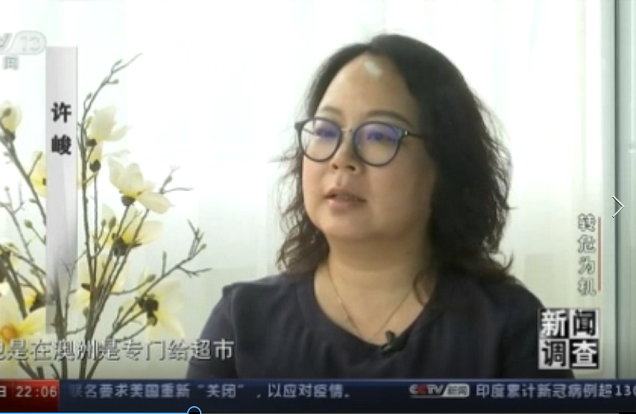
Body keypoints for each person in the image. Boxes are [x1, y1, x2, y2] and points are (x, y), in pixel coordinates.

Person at [186, 34, 574, 379]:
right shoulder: (241, 319)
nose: (341, 158)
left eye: (378, 135)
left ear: (445, 165)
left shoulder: (518, 324)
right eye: (325, 131)